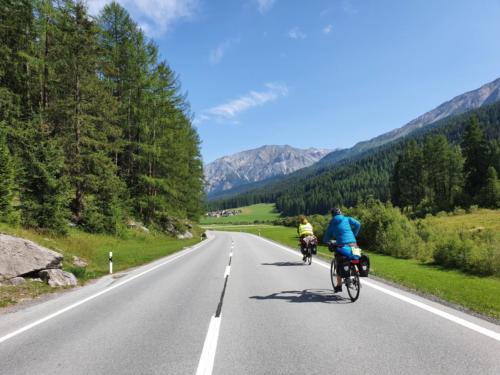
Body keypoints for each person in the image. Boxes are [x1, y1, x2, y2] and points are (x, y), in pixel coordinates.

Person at [322, 208, 361, 293]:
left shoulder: (332, 223)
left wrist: (326, 241)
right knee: (355, 258)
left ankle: (339, 285)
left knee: (339, 262)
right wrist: (354, 235)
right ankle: (354, 273)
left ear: (332, 215)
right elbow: (358, 224)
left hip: (342, 246)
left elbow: (326, 238)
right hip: (354, 244)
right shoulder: (347, 218)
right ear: (341, 213)